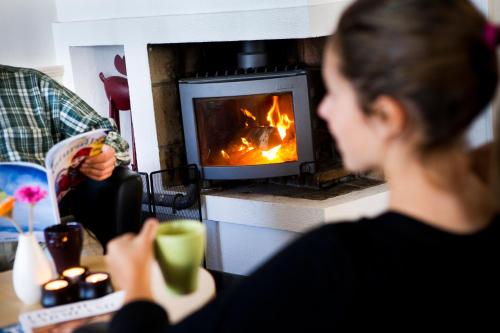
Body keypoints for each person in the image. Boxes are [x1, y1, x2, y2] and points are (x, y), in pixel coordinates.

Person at [106, 0, 500, 331]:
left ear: (387, 117)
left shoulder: (337, 265)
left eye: (336, 93)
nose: (324, 110)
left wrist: (136, 288)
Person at [0, 65, 130, 250]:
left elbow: (106, 134)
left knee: (102, 269)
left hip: (50, 235)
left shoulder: (33, 84)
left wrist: (107, 152)